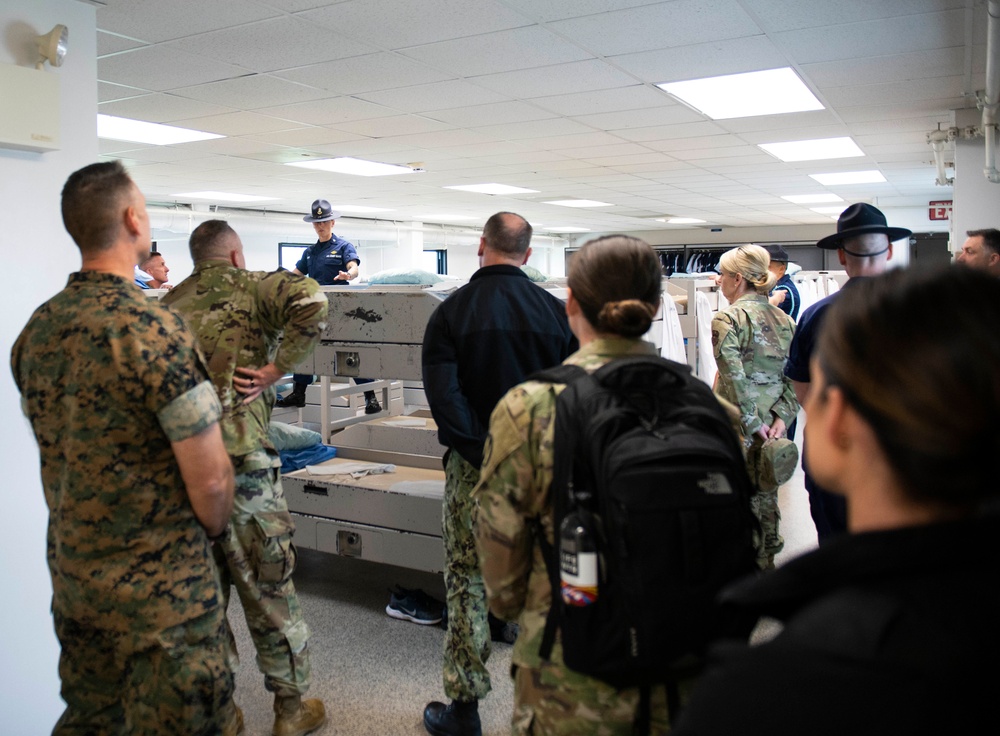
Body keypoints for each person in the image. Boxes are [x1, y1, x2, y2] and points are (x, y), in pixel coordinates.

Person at [671, 265, 1000, 736]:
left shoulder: (766, 691)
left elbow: (741, 377)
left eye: (821, 389)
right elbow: (786, 381)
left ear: (838, 418)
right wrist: (783, 413)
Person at [11, 161, 239, 735]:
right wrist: (211, 532)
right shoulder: (152, 330)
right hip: (164, 595)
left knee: (94, 718)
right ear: (133, 219)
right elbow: (211, 480)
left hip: (77, 578)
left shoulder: (37, 330)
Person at [474, 235, 677, 734]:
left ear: (571, 302)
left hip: (571, 665)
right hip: (683, 664)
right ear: (654, 307)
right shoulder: (708, 409)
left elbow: (499, 570)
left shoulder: (529, 409)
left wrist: (524, 607)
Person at [163, 220, 330, 736]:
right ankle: (289, 710)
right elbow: (314, 303)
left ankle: (222, 713)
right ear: (235, 254)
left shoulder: (167, 307)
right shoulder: (255, 284)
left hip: (185, 476)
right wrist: (277, 368)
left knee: (202, 602)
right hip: (246, 474)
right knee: (269, 593)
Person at [421, 211, 577, 736]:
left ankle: (464, 710)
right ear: (529, 254)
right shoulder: (558, 315)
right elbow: (573, 397)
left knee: (465, 579)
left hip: (472, 472)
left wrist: (483, 454)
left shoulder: (448, 314)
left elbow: (445, 399)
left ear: (480, 246)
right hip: (542, 473)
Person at [784, 203, 911, 542]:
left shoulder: (815, 316)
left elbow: (802, 390)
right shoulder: (917, 312)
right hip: (900, 456)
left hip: (833, 455)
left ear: (841, 256)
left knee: (837, 550)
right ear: (890, 250)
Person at [711, 245, 798, 570]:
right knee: (766, 494)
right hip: (772, 430)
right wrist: (780, 419)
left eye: (722, 275)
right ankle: (766, 564)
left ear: (737, 278)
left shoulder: (727, 319)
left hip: (737, 427)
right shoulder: (785, 320)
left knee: (733, 496)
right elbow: (796, 376)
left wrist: (751, 423)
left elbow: (733, 376)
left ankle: (739, 571)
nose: (718, 281)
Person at [277, 198, 381, 413]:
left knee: (347, 352)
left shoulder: (344, 246)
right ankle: (299, 393)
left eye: (324, 221)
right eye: (317, 223)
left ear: (332, 222)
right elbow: (296, 274)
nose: (320, 226)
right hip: (314, 309)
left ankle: (371, 397)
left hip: (340, 310)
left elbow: (354, 268)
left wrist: (348, 274)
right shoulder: (310, 252)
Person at [764, 244, 800, 320]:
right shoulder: (776, 286)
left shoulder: (784, 290)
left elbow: (762, 312)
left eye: (768, 267)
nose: (763, 271)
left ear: (781, 269)